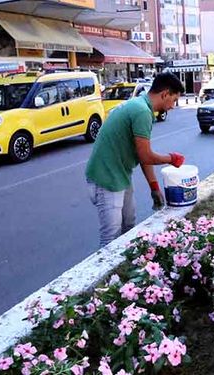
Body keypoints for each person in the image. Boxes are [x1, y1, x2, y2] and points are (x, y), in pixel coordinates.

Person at [85, 72, 186, 248]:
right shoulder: (141, 112)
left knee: (129, 228)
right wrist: (171, 158)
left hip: (120, 175)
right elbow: (146, 155)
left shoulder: (141, 107)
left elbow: (142, 154)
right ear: (165, 94)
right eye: (174, 100)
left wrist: (154, 187)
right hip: (106, 178)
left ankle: (125, 271)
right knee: (111, 237)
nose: (173, 106)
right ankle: (109, 276)